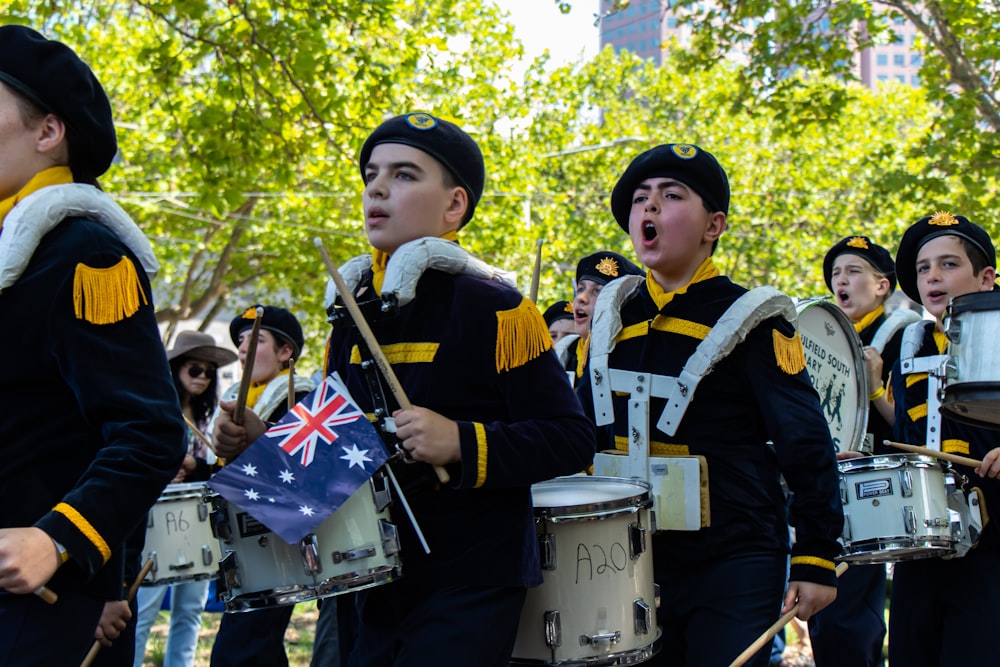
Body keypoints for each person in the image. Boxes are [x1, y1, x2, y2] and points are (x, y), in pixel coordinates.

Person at [215, 111, 596, 667]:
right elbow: (347, 445)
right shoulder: (351, 312)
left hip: (470, 576)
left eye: (404, 174)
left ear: (454, 206)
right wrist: (261, 440)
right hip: (370, 575)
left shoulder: (497, 306)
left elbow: (569, 437)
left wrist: (461, 442)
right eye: (372, 173)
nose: (377, 187)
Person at [577, 143, 844, 666]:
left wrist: (816, 556)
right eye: (640, 199)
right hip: (625, 559)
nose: (649, 208)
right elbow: (581, 430)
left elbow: (804, 440)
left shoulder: (755, 317)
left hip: (733, 555)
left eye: (671, 196)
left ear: (713, 225)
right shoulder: (612, 319)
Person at [0, 24, 185, 665]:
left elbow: (151, 433)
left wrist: (57, 540)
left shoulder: (87, 257)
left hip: (36, 607)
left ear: (48, 132)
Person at [886, 212, 1000, 666]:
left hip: (992, 551)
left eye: (949, 264)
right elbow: (907, 436)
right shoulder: (909, 349)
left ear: (987, 277)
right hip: (922, 548)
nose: (933, 275)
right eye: (923, 267)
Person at [807, 235, 918, 667]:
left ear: (882, 286)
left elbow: (909, 429)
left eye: (853, 271)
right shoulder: (820, 336)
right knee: (825, 616)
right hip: (825, 489)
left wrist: (874, 387)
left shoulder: (902, 337)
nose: (841, 280)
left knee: (852, 620)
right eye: (835, 273)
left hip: (878, 491)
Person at [209, 305, 316, 667]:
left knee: (241, 651)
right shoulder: (244, 398)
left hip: (276, 543)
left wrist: (261, 437)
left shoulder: (299, 397)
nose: (242, 349)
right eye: (240, 341)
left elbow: (306, 474)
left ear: (287, 352)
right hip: (245, 541)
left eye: (256, 340)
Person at [133, 331, 237, 667]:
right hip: (156, 516)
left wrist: (194, 465)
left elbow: (215, 468)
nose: (203, 378)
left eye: (209, 372)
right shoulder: (154, 409)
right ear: (176, 369)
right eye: (195, 369)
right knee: (143, 605)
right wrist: (164, 467)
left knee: (191, 608)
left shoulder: (212, 417)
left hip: (198, 517)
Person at [555, 250, 644, 387]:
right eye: (580, 289)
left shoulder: (627, 357)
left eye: (598, 291)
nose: (581, 298)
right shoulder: (566, 352)